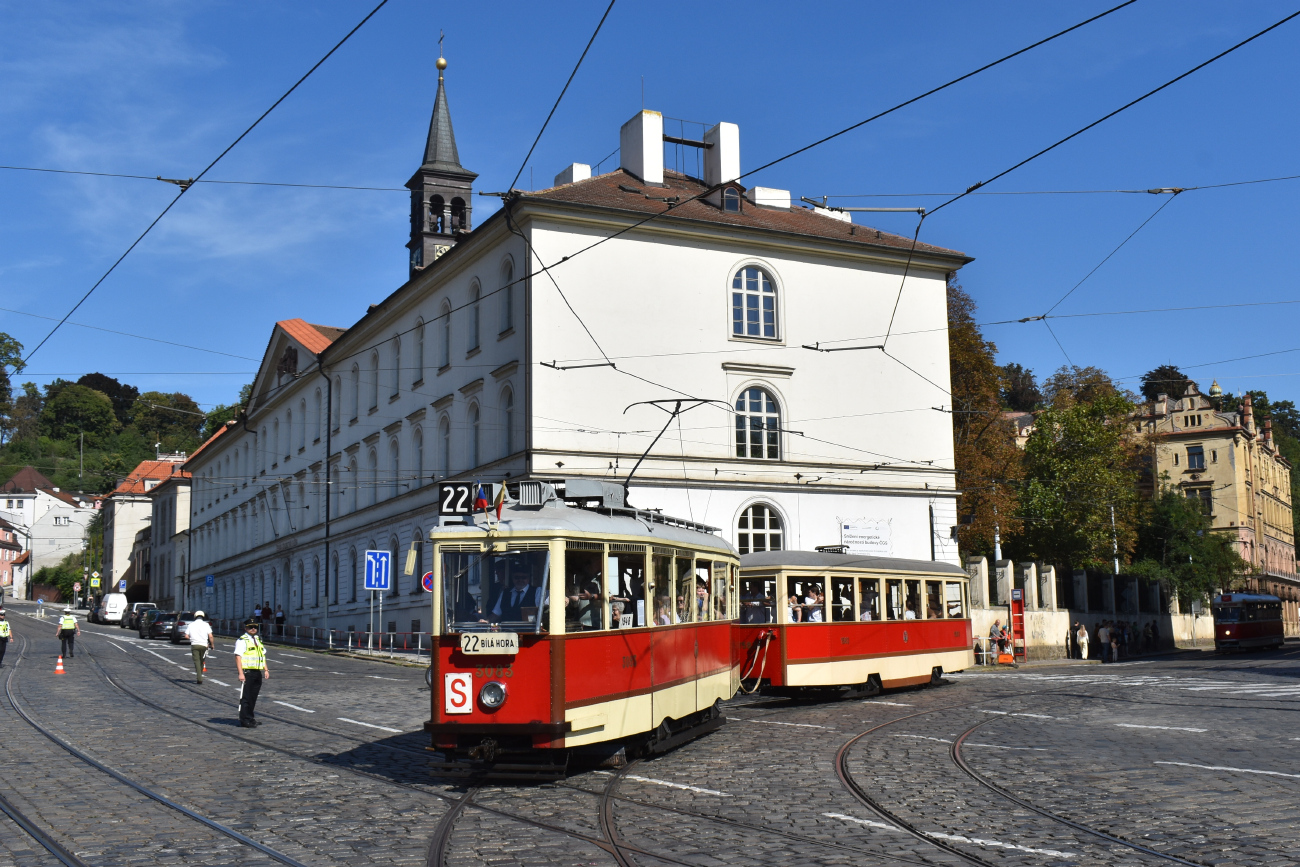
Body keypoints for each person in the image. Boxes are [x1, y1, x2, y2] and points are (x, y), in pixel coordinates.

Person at [234, 619, 270, 727]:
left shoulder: (257, 639)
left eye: (255, 627)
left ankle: (250, 717)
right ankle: (244, 719)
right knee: (246, 697)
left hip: (257, 672)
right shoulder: (242, 640)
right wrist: (240, 673)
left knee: (253, 697)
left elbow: (262, 656)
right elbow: (237, 657)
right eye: (250, 627)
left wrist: (266, 669)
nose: (253, 629)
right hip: (247, 672)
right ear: (246, 628)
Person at [184, 610, 215, 684]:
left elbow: (186, 636)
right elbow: (210, 636)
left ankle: (199, 677)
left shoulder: (191, 625)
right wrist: (212, 645)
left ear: (195, 617)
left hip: (195, 645)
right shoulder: (206, 625)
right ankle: (200, 675)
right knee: (202, 661)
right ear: (203, 617)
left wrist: (191, 638)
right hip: (204, 645)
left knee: (197, 661)